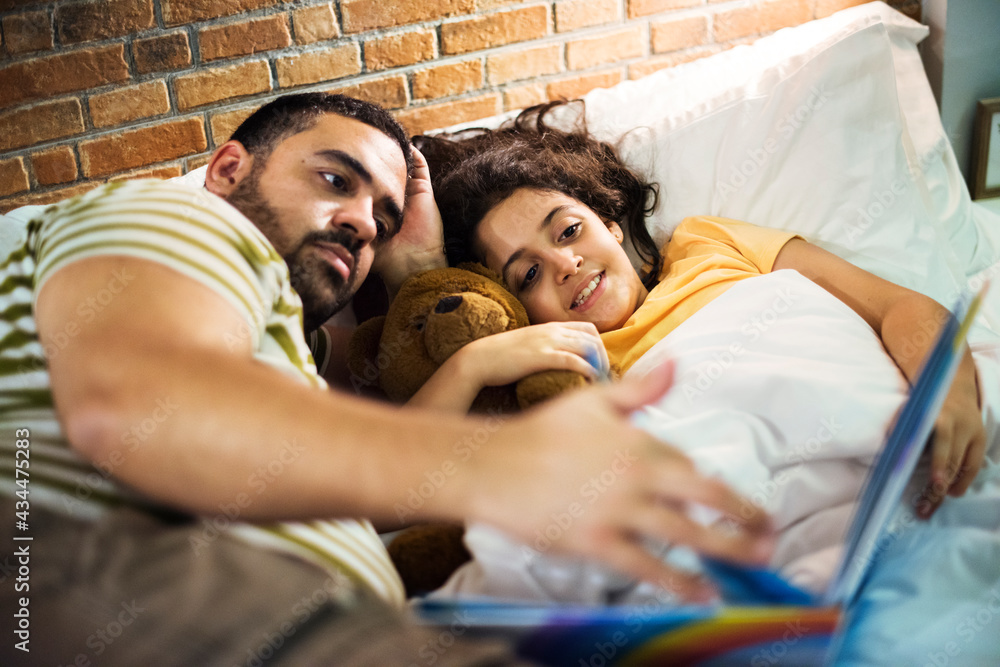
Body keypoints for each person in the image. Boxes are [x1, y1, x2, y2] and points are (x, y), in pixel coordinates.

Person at [0, 93, 774, 665]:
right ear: (229, 168)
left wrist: (421, 269)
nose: (362, 223)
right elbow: (137, 407)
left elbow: (349, 474)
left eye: (380, 215)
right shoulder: (185, 222)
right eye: (336, 181)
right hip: (160, 594)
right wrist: (500, 465)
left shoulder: (276, 364)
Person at [414, 101, 987, 518]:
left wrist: (949, 390)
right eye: (529, 273)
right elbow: (406, 473)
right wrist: (470, 364)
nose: (564, 264)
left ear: (610, 224)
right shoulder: (566, 367)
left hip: (903, 449)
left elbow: (897, 307)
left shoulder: (707, 242)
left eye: (569, 230)